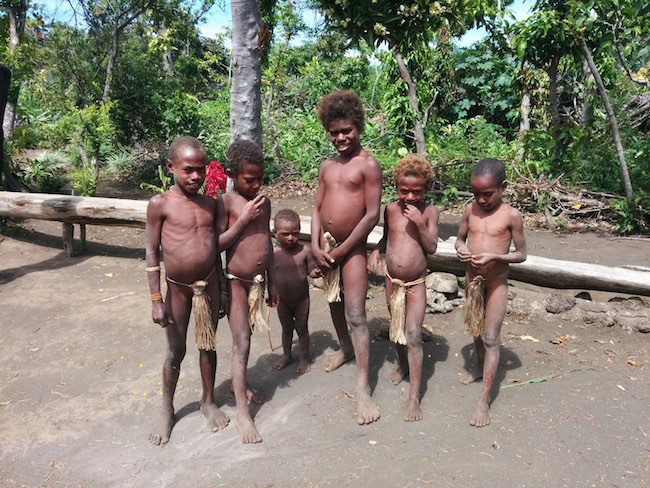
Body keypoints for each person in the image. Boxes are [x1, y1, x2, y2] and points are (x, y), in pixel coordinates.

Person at [145, 136, 228, 446]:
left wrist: (222, 289)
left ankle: (208, 401)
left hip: (209, 286)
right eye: (188, 170)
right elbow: (152, 252)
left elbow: (215, 249)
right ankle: (167, 409)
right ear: (171, 168)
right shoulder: (160, 204)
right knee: (175, 351)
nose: (196, 176)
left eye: (201, 169)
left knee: (208, 346)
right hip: (177, 290)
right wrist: (156, 299)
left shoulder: (211, 204)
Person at [311, 90, 382, 425]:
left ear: (358, 127)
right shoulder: (327, 166)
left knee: (356, 312)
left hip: (351, 250)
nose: (340, 137)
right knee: (334, 304)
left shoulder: (367, 165)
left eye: (346, 131)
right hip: (327, 248)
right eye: (334, 132)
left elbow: (370, 216)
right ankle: (345, 348)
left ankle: (364, 386)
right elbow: (316, 208)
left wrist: (342, 250)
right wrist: (315, 246)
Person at [455, 158, 527, 427]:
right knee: (475, 330)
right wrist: (461, 249)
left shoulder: (511, 216)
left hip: (496, 282)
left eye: (487, 194)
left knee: (491, 337)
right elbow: (460, 239)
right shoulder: (469, 210)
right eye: (477, 194)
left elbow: (521, 254)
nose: (482, 200)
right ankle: (479, 368)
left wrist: (495, 256)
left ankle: (484, 401)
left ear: (503, 187)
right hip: (472, 281)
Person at [368, 154, 439, 422]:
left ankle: (414, 396)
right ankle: (402, 366)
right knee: (397, 330)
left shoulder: (430, 211)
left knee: (413, 334)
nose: (410, 197)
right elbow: (387, 238)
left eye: (417, 191)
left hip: (416, 284)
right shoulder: (390, 209)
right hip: (391, 282)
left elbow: (431, 247)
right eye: (404, 190)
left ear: (427, 188)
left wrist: (420, 222)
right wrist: (376, 251)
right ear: (396, 185)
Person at [216, 139, 277, 443]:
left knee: (248, 338)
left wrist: (272, 281)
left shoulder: (264, 203)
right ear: (231, 174)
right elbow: (217, 244)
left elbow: (266, 242)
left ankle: (241, 386)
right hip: (235, 282)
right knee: (241, 341)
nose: (255, 186)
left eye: (259, 180)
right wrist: (241, 221)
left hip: (258, 282)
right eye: (248, 180)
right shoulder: (226, 203)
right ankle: (242, 412)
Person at [271, 209, 322, 374]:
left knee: (301, 328)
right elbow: (268, 276)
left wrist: (317, 272)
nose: (291, 238)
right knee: (286, 329)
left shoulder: (304, 251)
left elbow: (311, 270)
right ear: (274, 233)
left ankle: (304, 357)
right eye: (285, 234)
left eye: (295, 233)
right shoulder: (272, 254)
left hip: (301, 300)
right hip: (282, 300)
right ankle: (287, 355)